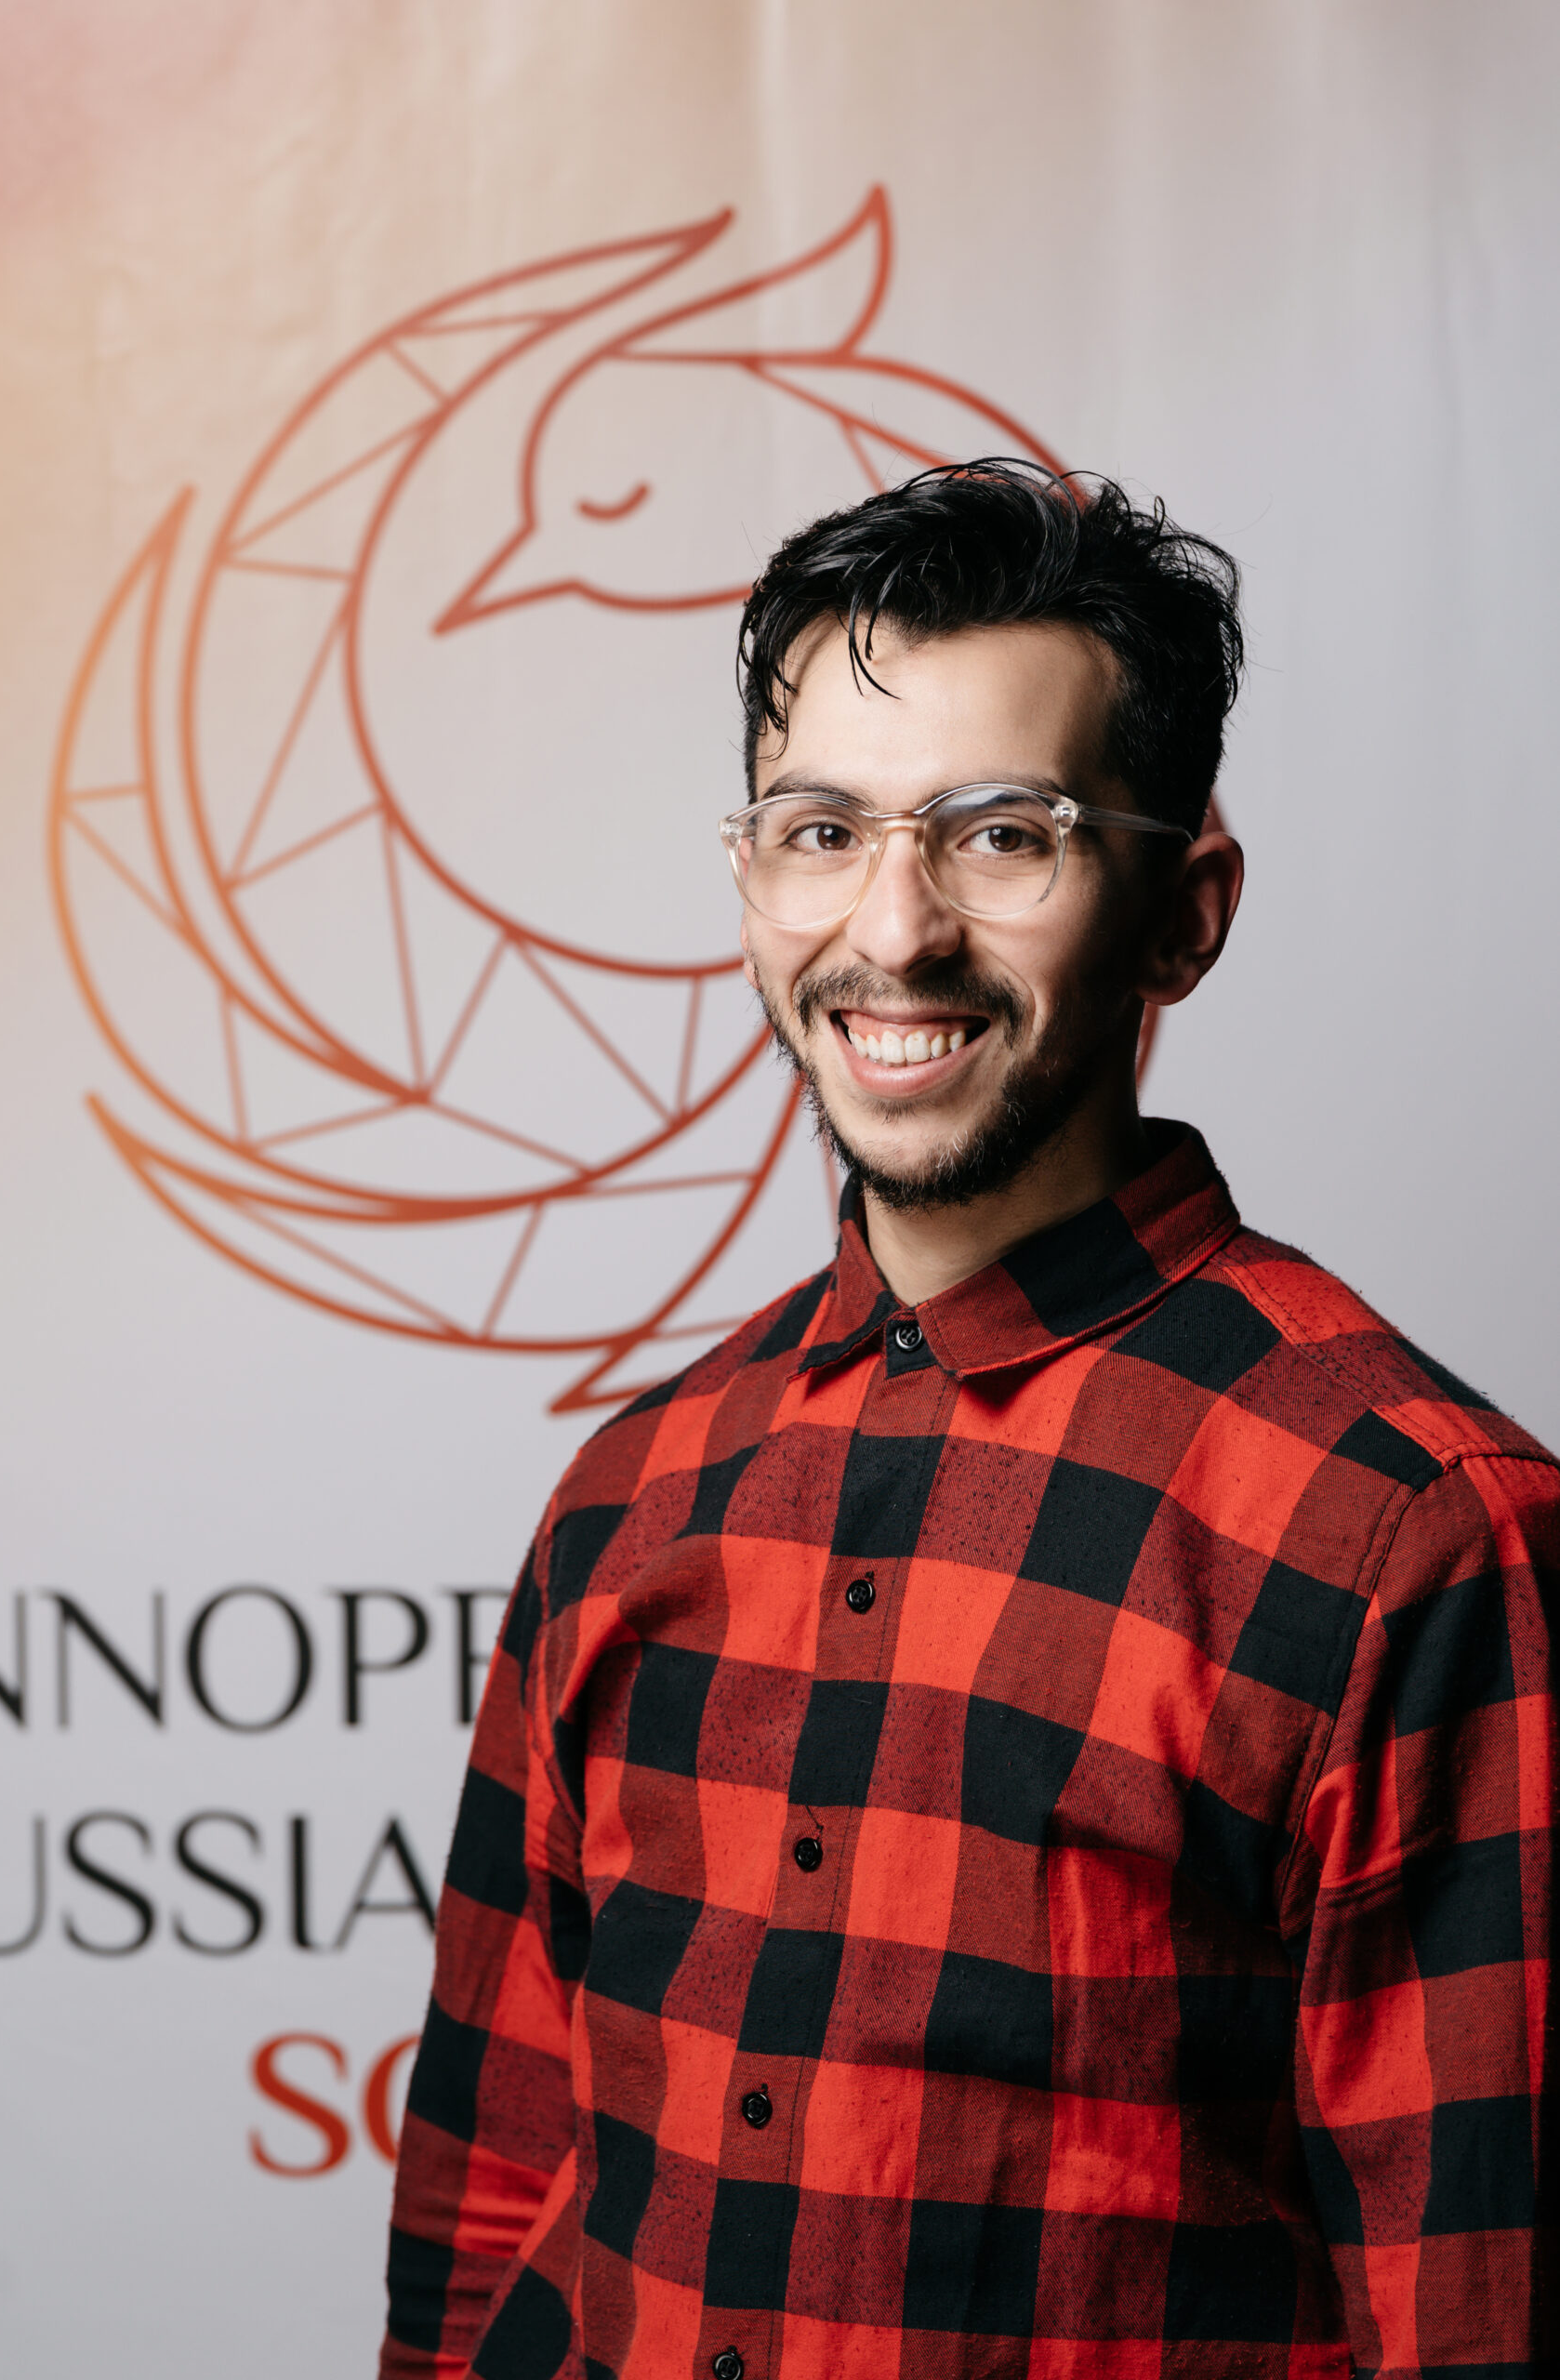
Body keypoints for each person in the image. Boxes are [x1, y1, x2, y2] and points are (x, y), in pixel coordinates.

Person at [379, 462, 1555, 2379]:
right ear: (750, 884)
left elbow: (1479, 2310)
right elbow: (493, 2215)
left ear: (1182, 915)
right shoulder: (632, 1493)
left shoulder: (1411, 1531)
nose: (894, 929)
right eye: (821, 831)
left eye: (1003, 834)